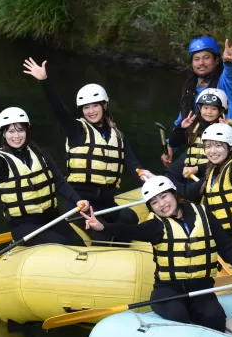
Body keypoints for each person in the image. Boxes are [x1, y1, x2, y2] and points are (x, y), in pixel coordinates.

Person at [80, 175, 232, 332]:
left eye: (164, 196)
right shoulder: (156, 226)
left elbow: (227, 246)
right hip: (169, 290)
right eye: (154, 202)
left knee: (214, 318)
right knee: (178, 315)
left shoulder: (203, 214)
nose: (162, 204)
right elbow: (132, 231)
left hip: (202, 288)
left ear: (174, 194)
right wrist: (103, 226)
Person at [22, 58, 152, 226]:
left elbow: (133, 164)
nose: (90, 111)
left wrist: (148, 179)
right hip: (81, 203)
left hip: (106, 202)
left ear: (104, 106)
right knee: (103, 232)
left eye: (95, 106)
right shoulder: (76, 130)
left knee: (130, 218)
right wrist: (45, 81)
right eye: (86, 107)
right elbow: (58, 109)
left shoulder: (117, 135)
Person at [0, 108, 88, 246]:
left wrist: (77, 200)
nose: (16, 136)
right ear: (4, 134)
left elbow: (59, 182)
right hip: (23, 225)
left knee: (78, 243)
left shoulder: (39, 153)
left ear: (26, 131)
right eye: (11, 131)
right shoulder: (0, 162)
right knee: (60, 243)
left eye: (20, 130)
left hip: (52, 218)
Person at [175, 123, 232, 265]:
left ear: (230, 147)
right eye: (208, 146)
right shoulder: (213, 171)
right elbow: (187, 193)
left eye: (218, 146)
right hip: (228, 238)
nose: (212, 151)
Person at [162, 37, 232, 166]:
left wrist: (229, 63)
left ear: (217, 60)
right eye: (196, 59)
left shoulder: (225, 82)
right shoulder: (191, 88)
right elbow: (184, 118)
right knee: (172, 173)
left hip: (223, 144)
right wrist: (170, 146)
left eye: (206, 58)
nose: (201, 63)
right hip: (200, 143)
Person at [164, 88, 232, 183]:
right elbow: (174, 143)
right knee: (172, 177)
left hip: (212, 172)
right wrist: (181, 128)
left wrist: (228, 130)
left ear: (221, 111)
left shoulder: (225, 127)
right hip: (190, 171)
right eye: (205, 108)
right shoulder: (194, 125)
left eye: (214, 109)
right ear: (200, 108)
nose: (209, 112)